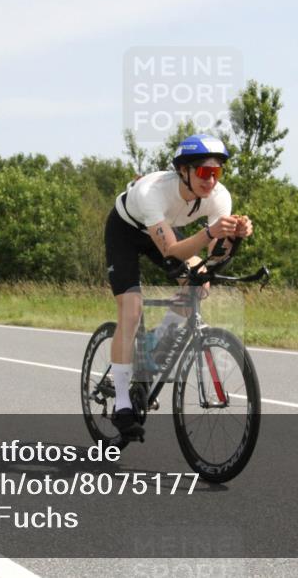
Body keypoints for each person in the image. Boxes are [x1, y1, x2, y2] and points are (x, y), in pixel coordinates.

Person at [103, 133, 253, 439]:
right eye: (203, 172)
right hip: (127, 232)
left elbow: (214, 255)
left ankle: (155, 347)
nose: (210, 180)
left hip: (164, 231)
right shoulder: (152, 192)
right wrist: (210, 232)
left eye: (216, 172)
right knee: (131, 310)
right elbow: (171, 251)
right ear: (183, 171)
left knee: (201, 284)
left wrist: (233, 236)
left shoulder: (220, 197)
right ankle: (121, 404)